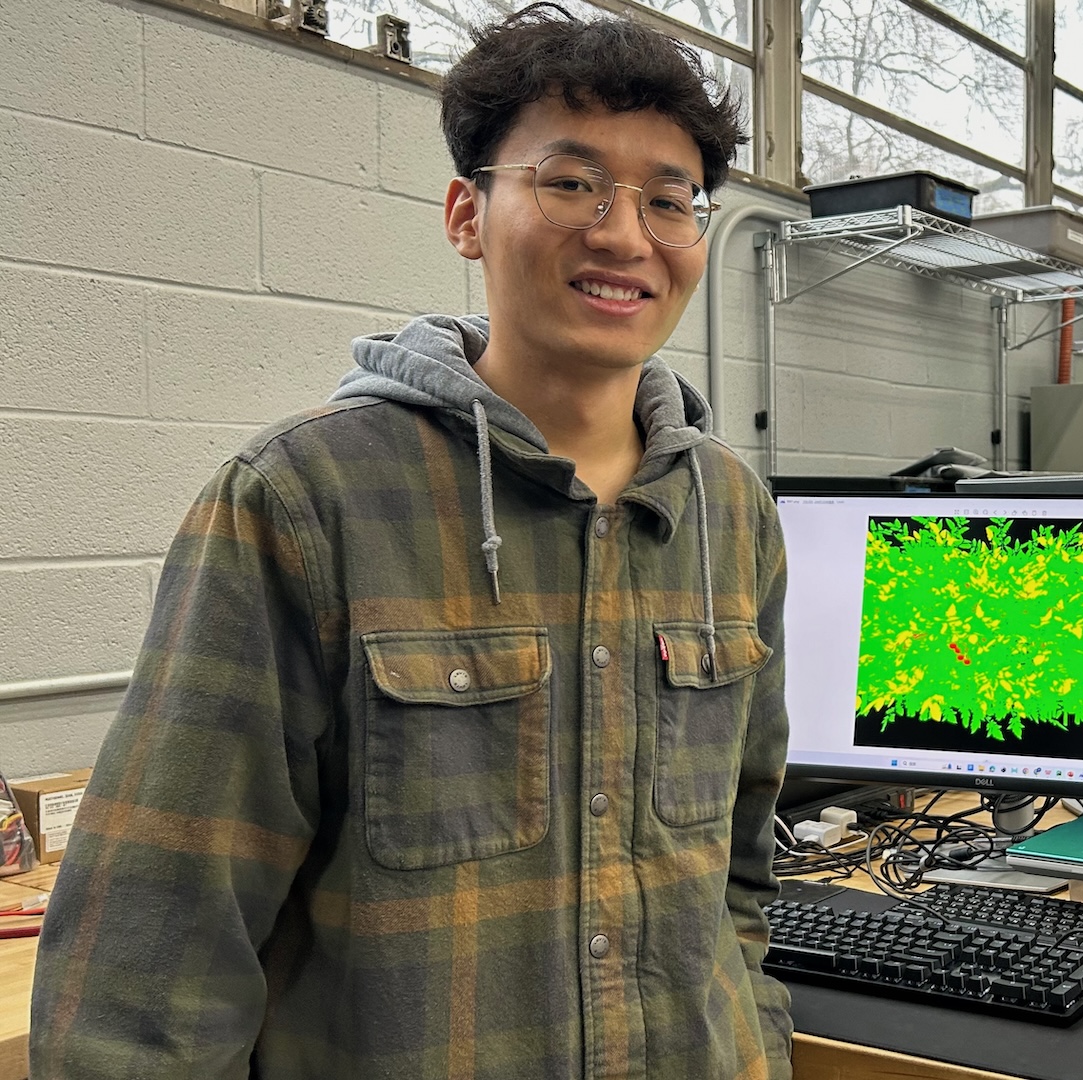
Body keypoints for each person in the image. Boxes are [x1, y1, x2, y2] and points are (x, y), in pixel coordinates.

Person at [30, 5, 792, 1077]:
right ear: (466, 213)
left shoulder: (732, 514)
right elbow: (152, 956)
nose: (625, 235)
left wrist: (754, 1042)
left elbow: (742, 879)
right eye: (571, 183)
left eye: (669, 200)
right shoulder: (302, 500)